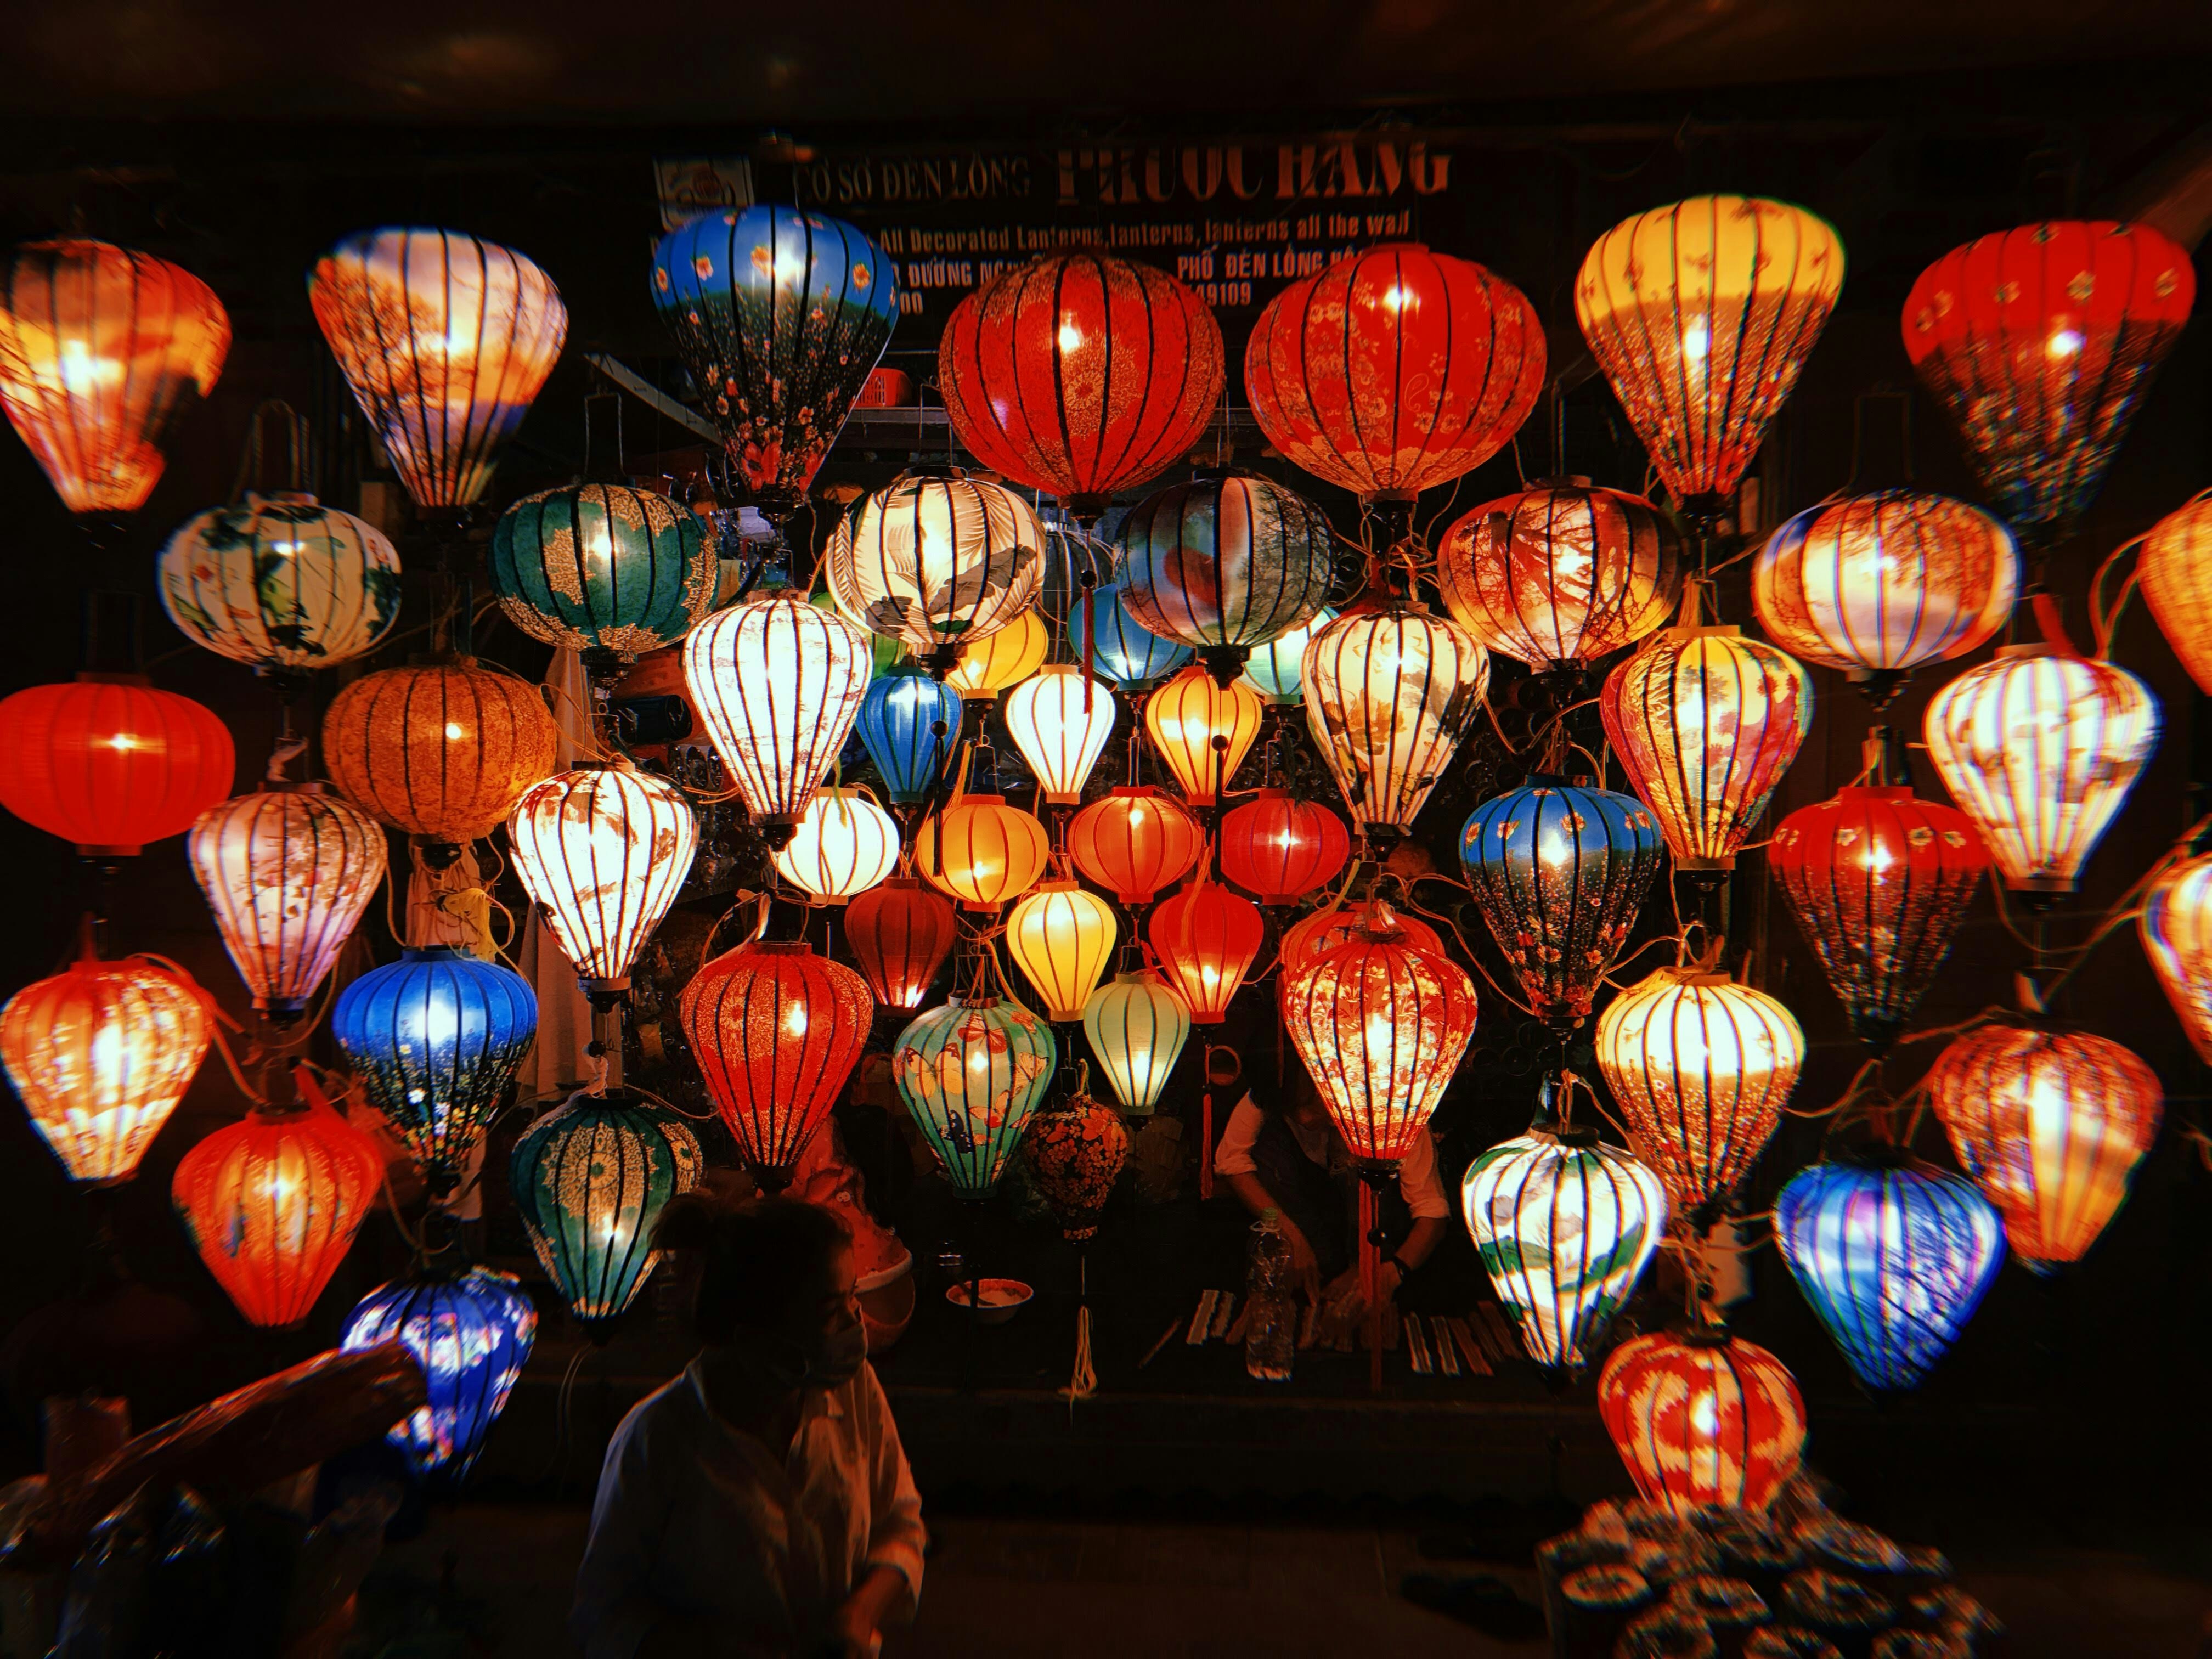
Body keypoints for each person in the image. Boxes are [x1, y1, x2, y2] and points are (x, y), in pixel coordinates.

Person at [572, 1194, 925, 1659]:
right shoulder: (657, 1439)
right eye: (829, 1310)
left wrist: (858, 1617)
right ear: (753, 1337)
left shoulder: (852, 1389)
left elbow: (900, 1525)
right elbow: (603, 1617)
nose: (855, 1323)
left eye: (852, 1297)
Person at [1213, 1056, 1451, 1316]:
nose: (1303, 1118)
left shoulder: (1396, 1109)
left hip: (1380, 1234)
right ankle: (1312, 1271)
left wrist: (1390, 1273)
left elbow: (1432, 1212)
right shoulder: (1271, 1091)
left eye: (1313, 1104)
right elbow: (1231, 1161)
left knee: (1371, 1169)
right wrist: (1289, 1236)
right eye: (1294, 1108)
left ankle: (1364, 1265)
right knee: (1268, 1149)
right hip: (1311, 1221)